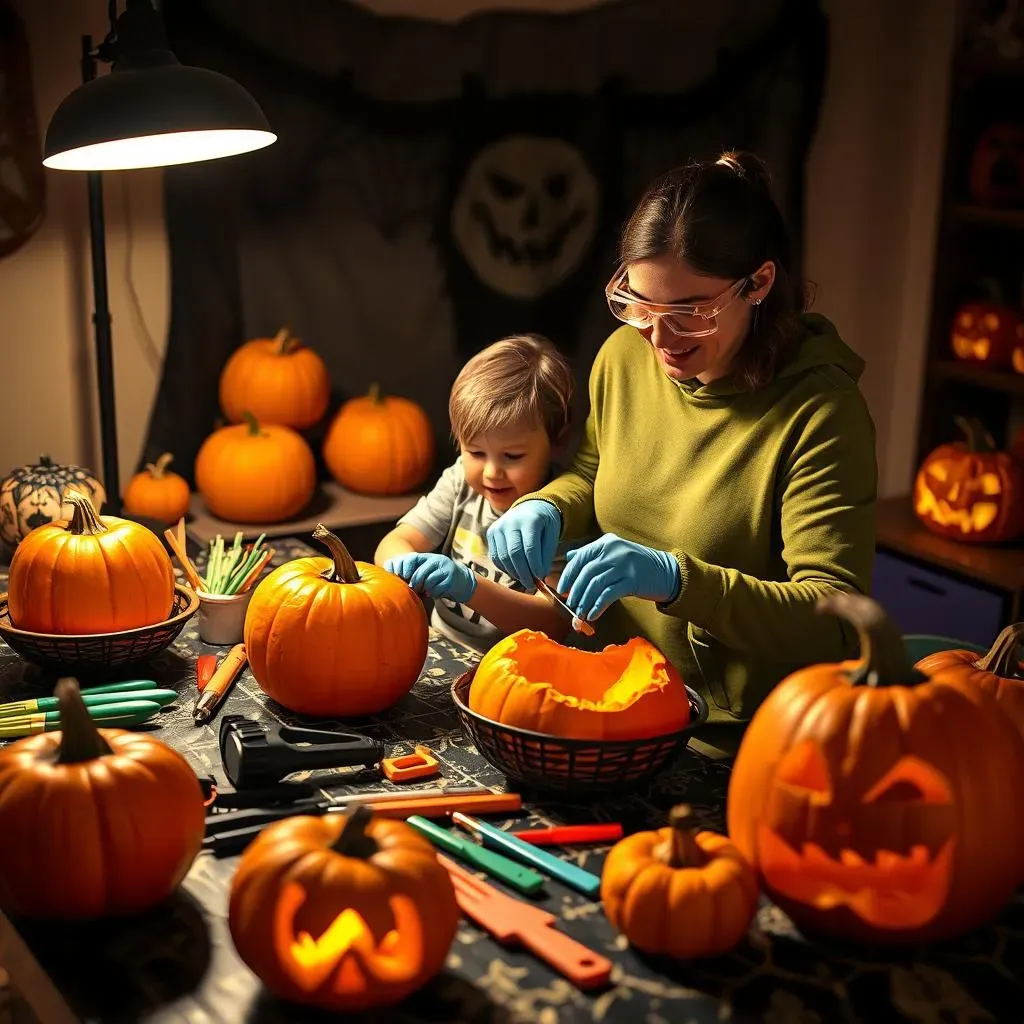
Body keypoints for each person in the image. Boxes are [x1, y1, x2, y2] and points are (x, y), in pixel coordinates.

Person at [485, 151, 878, 757]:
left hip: (736, 745)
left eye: (690, 311)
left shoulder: (822, 415)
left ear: (760, 283)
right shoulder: (624, 357)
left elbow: (833, 616)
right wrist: (549, 507)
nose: (658, 339)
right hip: (608, 701)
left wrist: (676, 581)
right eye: (639, 304)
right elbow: (593, 473)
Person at [375, 333, 577, 653]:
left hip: (518, 671)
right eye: (476, 453)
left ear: (557, 441)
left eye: (513, 457)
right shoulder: (459, 481)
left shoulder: (562, 515)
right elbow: (396, 542)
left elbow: (552, 623)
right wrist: (403, 564)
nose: (491, 472)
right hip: (439, 647)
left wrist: (468, 587)